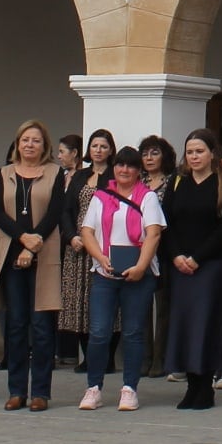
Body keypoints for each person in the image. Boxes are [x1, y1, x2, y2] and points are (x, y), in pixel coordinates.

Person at [0, 120, 72, 410]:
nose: (30, 145)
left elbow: (56, 212)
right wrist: (22, 239)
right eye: (25, 139)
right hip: (12, 256)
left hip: (44, 256)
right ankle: (16, 390)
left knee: (41, 327)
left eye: (36, 140)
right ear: (17, 143)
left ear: (44, 145)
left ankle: (40, 392)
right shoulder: (4, 173)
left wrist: (34, 241)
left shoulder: (55, 173)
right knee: (15, 325)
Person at [79, 147, 165, 411]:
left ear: (139, 170)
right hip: (105, 273)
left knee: (133, 332)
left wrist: (140, 266)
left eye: (130, 166)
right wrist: (100, 258)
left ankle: (129, 388)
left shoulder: (147, 197)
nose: (124, 170)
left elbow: (153, 234)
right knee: (99, 332)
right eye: (120, 165)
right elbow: (87, 231)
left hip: (138, 273)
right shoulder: (101, 196)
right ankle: (94, 387)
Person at [161, 130, 222, 410]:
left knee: (205, 325)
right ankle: (190, 386)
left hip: (210, 266)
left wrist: (197, 257)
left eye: (199, 151)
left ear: (212, 154)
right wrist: (176, 256)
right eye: (190, 152)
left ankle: (205, 386)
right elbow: (166, 222)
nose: (194, 157)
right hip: (180, 265)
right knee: (184, 325)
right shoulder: (177, 182)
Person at [59, 129, 113, 366]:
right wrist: (71, 236)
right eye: (94, 146)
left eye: (103, 146)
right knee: (78, 303)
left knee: (103, 302)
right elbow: (66, 210)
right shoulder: (79, 176)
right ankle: (89, 357)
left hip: (103, 247)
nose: (98, 150)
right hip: (78, 248)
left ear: (110, 150)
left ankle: (106, 357)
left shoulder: (115, 175)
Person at [137, 134, 177, 378]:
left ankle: (161, 358)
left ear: (164, 156)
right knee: (141, 305)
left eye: (154, 153)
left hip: (164, 249)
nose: (149, 158)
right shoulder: (136, 181)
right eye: (145, 153)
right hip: (138, 249)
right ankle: (144, 357)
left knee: (163, 306)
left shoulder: (173, 182)